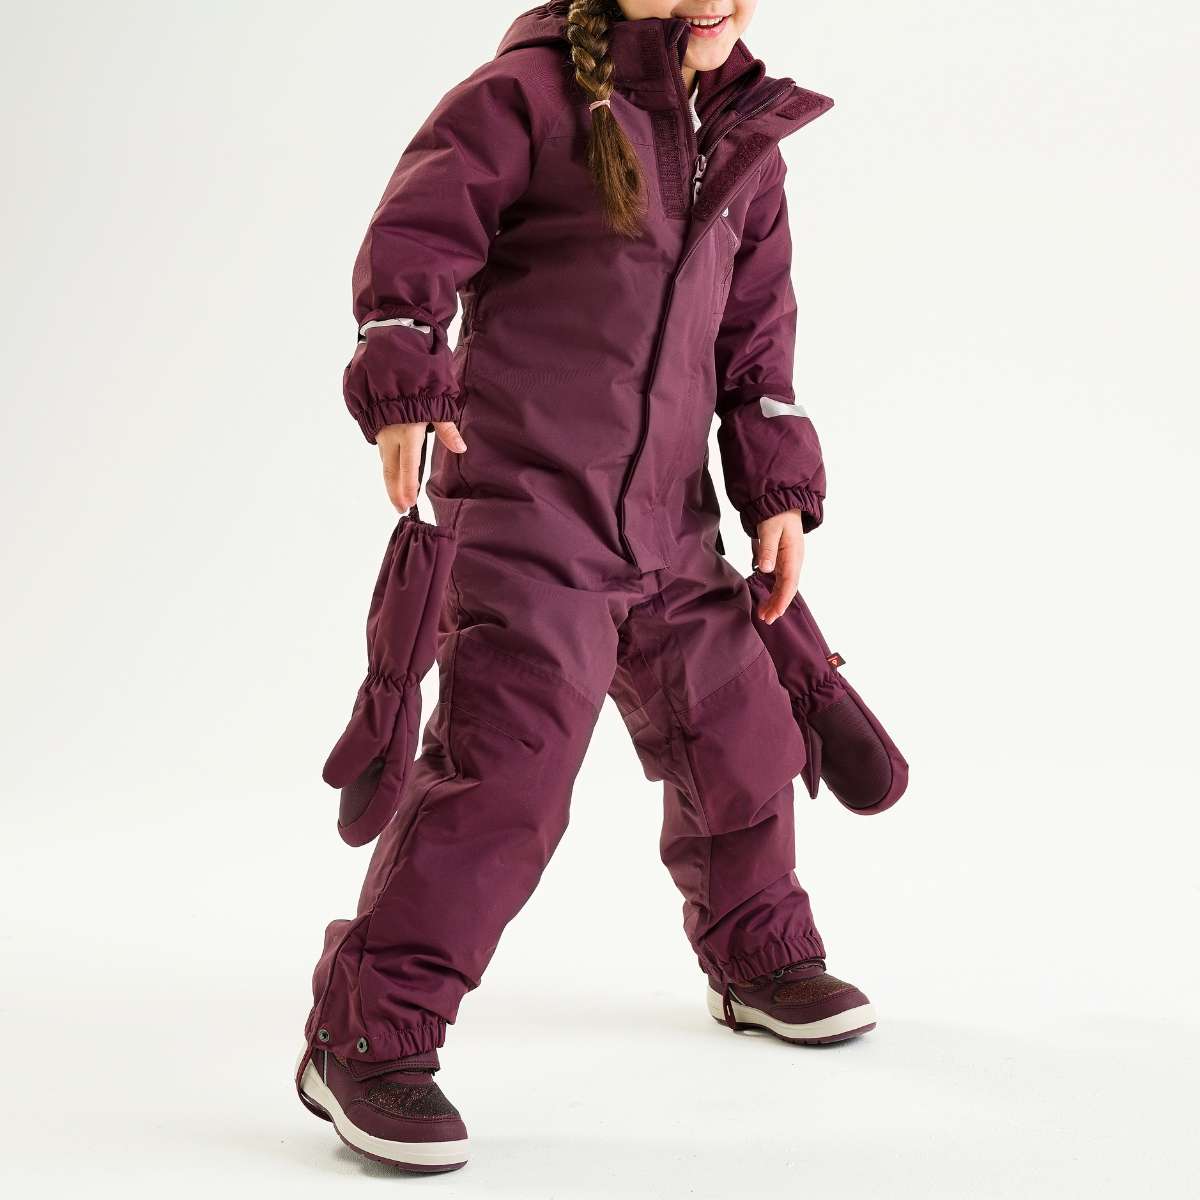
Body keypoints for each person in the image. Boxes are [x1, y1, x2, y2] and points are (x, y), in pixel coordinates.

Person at [296, 1, 874, 1173]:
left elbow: (756, 345)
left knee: (741, 736)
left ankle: (755, 949)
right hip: (527, 516)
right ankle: (368, 1029)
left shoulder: (745, 139)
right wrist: (405, 375)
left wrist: (774, 488)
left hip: (673, 526)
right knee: (505, 781)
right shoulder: (527, 99)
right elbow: (419, 237)